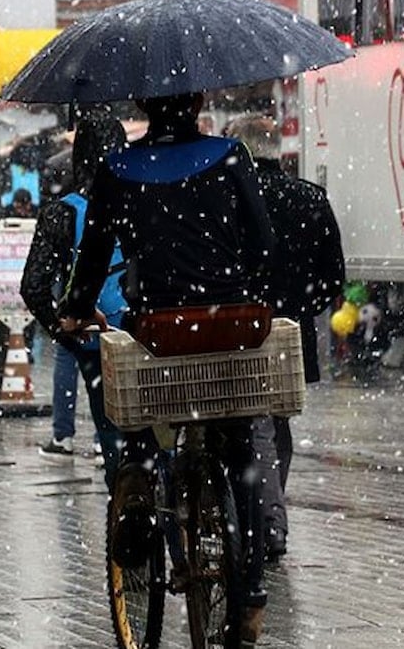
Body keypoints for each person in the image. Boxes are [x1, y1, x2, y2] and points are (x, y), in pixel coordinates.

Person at [59, 93, 275, 645]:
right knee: (244, 454)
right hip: (229, 326)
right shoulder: (231, 155)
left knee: (139, 423)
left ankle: (138, 502)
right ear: (199, 99)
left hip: (159, 331)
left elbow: (94, 255)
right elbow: (262, 244)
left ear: (145, 105)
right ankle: (249, 596)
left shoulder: (118, 169)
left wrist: (75, 309)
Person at [225, 113, 346, 562]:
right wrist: (298, 308)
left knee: (250, 423)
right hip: (290, 334)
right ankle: (268, 511)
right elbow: (333, 277)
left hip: (238, 329)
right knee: (277, 423)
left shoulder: (230, 200)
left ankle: (265, 520)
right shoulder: (310, 199)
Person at [21, 112, 126, 488]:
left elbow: (33, 287)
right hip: (144, 330)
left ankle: (126, 506)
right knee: (152, 429)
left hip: (94, 334)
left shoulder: (62, 210)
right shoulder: (144, 196)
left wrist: (62, 331)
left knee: (110, 428)